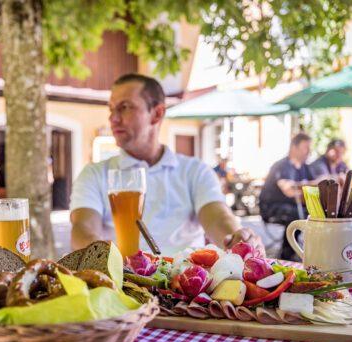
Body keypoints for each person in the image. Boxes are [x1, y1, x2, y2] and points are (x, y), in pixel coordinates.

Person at [70, 73, 264, 256]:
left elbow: (218, 217)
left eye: (125, 107)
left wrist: (236, 238)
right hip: (122, 282)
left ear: (156, 114)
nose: (113, 118)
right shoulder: (94, 173)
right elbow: (83, 228)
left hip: (185, 282)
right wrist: (105, 260)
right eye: (111, 109)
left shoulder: (194, 171)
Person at [259, 133, 315, 260]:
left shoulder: (306, 167)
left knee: (315, 214)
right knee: (296, 215)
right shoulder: (282, 166)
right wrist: (313, 184)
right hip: (271, 208)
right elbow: (288, 190)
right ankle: (287, 256)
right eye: (305, 147)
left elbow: (313, 190)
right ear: (294, 148)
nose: (309, 152)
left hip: (293, 207)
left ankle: (310, 253)